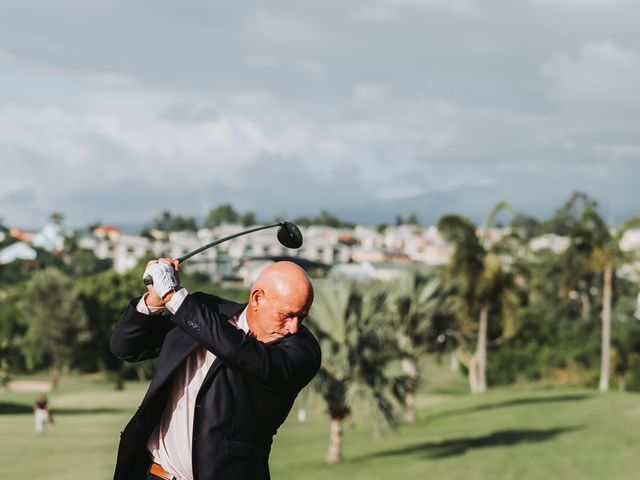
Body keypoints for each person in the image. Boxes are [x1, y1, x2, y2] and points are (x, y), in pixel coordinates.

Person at [110, 259, 321, 480]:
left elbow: (237, 350)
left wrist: (174, 297)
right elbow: (125, 347)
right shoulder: (205, 312)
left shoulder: (303, 352)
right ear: (258, 298)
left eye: (301, 316)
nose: (294, 327)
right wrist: (155, 299)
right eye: (287, 315)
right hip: (154, 474)